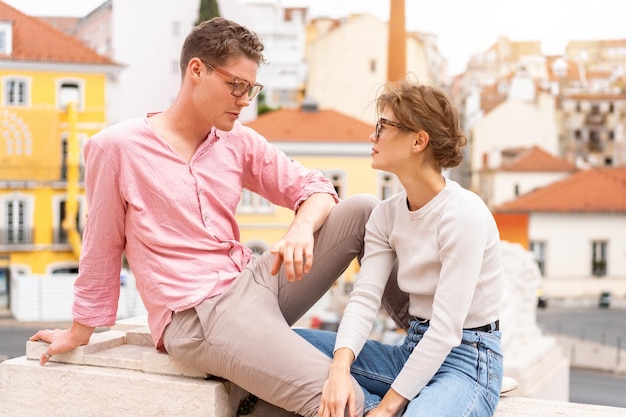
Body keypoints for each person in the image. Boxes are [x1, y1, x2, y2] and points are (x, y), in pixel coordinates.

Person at [29, 17, 405, 417]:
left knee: (363, 210)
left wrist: (299, 229)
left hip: (254, 281)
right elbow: (101, 243)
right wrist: (80, 329)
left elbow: (314, 187)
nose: (245, 100)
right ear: (196, 70)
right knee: (343, 399)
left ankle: (424, 335)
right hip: (198, 313)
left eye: (251, 89)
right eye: (236, 86)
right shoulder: (116, 148)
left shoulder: (236, 140)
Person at [295, 80, 504, 417]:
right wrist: (339, 369)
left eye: (382, 126)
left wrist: (389, 407)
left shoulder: (464, 214)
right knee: (291, 346)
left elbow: (447, 329)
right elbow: (364, 299)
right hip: (411, 349)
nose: (372, 137)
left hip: (468, 360)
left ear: (419, 140)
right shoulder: (386, 214)